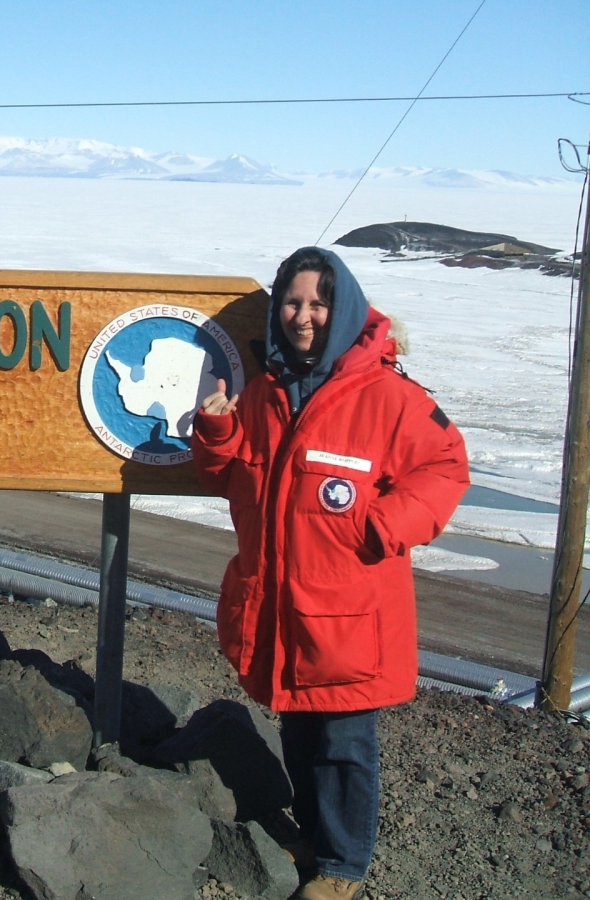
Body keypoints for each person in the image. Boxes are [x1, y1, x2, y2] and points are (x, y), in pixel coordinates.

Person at [191, 247, 469, 900]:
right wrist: (218, 430)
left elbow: (447, 466)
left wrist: (382, 524)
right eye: (292, 302)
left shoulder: (387, 396)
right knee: (298, 725)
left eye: (318, 303)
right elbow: (228, 477)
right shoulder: (265, 391)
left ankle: (344, 866)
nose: (303, 317)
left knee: (345, 740)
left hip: (349, 613)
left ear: (342, 309)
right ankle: (315, 837)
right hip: (285, 605)